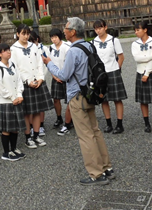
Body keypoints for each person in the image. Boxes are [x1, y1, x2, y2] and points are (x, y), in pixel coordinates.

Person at [44, 17, 114, 185]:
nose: (64, 31)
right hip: (91, 92)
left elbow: (63, 75)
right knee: (95, 130)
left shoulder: (73, 51)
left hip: (77, 95)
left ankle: (96, 174)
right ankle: (106, 167)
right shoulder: (89, 45)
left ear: (73, 32)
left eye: (66, 28)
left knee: (85, 135)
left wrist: (49, 63)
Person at [11, 24, 52, 149]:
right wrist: (27, 80)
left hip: (37, 81)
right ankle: (28, 137)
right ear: (18, 34)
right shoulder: (13, 49)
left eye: (27, 34)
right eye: (23, 33)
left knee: (37, 111)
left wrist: (40, 77)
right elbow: (16, 68)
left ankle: (36, 135)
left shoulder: (34, 46)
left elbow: (40, 63)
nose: (25, 36)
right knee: (27, 113)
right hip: (24, 84)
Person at [0, 44, 26, 161]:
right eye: (5, 51)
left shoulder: (12, 65)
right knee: (6, 129)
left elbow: (19, 80)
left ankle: (14, 148)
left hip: (16, 99)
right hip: (4, 102)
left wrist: (19, 94)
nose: (8, 52)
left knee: (15, 126)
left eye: (8, 50)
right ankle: (6, 152)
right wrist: (12, 97)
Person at [92, 19, 127, 134]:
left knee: (117, 99)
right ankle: (108, 124)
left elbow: (121, 56)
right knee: (104, 99)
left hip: (113, 71)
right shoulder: (93, 42)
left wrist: (117, 69)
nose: (98, 30)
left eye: (100, 28)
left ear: (105, 27)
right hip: (100, 74)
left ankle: (120, 124)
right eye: (96, 29)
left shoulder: (113, 40)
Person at [47, 29, 73, 135]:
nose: (54, 40)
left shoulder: (67, 47)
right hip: (56, 76)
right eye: (52, 38)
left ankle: (70, 120)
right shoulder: (50, 48)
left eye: (55, 37)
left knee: (69, 99)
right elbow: (49, 63)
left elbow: (69, 63)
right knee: (56, 99)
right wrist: (54, 75)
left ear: (60, 37)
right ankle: (59, 118)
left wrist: (64, 76)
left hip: (66, 77)